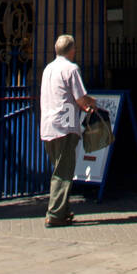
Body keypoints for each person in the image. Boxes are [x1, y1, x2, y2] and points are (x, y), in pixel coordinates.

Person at [39, 34, 98, 228]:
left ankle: (63, 212)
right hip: (64, 126)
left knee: (58, 167)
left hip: (48, 125)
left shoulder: (48, 69)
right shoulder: (71, 69)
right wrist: (91, 104)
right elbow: (80, 97)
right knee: (63, 172)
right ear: (72, 50)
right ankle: (55, 214)